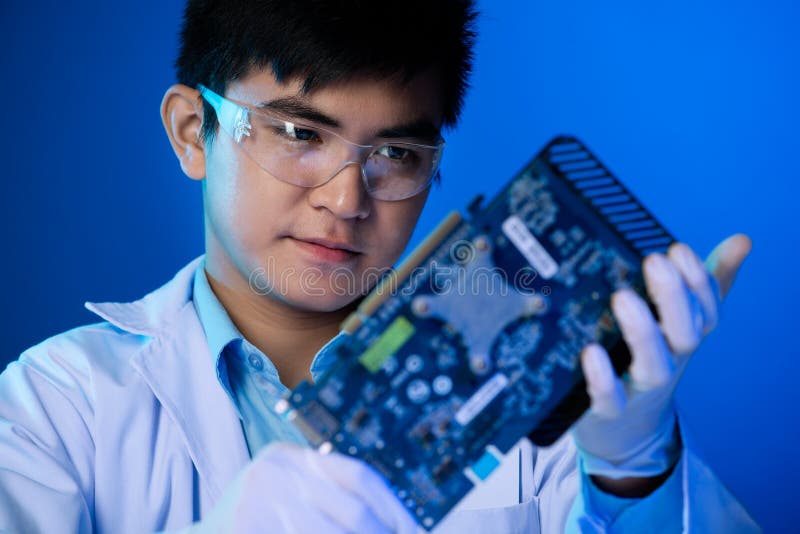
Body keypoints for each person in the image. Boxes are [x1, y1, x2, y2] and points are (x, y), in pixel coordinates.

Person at [0, 1, 760, 532]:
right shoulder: (54, 409)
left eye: (396, 153)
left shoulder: (531, 397)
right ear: (193, 131)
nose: (345, 197)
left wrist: (636, 470)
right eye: (300, 132)